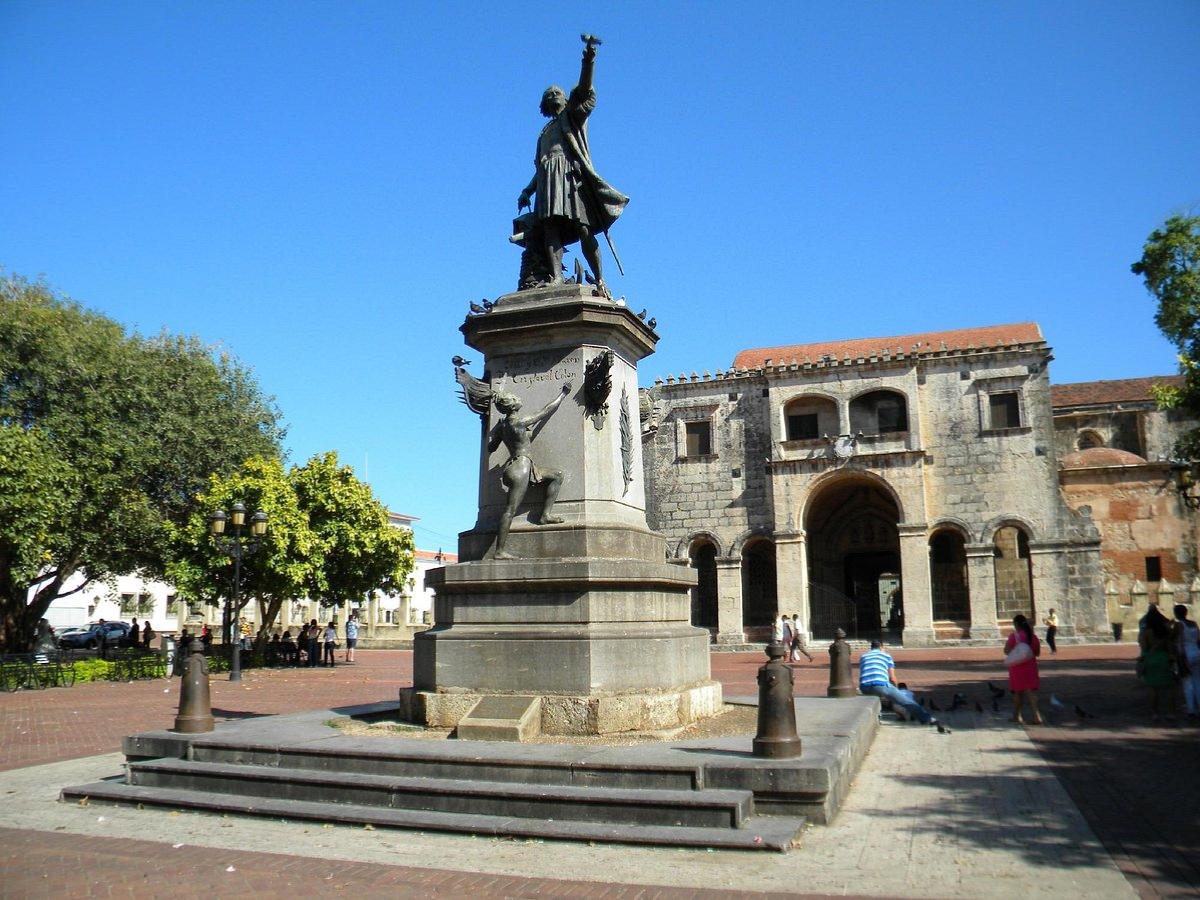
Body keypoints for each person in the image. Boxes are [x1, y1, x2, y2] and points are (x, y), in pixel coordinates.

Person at [516, 36, 628, 293]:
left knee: (583, 228)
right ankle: (556, 277)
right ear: (544, 104)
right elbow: (539, 169)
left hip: (569, 177)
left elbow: (585, 91)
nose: (554, 95)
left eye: (558, 92)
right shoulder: (544, 133)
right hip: (547, 182)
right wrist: (527, 190)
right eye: (550, 94)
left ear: (566, 100)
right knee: (550, 229)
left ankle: (599, 279)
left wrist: (588, 58)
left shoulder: (573, 117)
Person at [488, 384, 572, 559]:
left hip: (516, 465)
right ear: (512, 405)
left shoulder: (503, 427)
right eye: (515, 399)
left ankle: (545, 515)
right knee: (510, 510)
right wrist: (563, 394)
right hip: (522, 466)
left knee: (557, 475)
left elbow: (491, 447)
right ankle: (499, 551)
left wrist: (497, 431)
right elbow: (546, 411)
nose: (518, 400)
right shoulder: (519, 422)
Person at [858, 640, 942, 730]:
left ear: (871, 647)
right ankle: (928, 719)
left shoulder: (863, 656)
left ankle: (877, 720)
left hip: (864, 686)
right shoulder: (886, 656)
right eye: (884, 648)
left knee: (876, 698)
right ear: (881, 647)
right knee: (906, 701)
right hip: (880, 684)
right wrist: (896, 690)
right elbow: (893, 678)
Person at [1140, 605, 1178, 722]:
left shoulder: (1147, 633)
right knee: (1169, 688)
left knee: (1153, 689)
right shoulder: (1165, 631)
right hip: (1164, 658)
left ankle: (1155, 713)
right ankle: (1171, 713)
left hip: (1151, 658)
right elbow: (1170, 645)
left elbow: (1144, 647)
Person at [1005, 614, 1043, 725]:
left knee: (1017, 692)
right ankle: (1037, 715)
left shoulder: (1014, 636)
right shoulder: (1033, 636)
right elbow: (1037, 653)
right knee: (1030, 691)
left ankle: (1017, 716)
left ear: (1016, 624)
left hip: (1017, 666)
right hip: (1030, 666)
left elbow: (1006, 650)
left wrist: (1016, 652)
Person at [1172, 605, 1200, 720]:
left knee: (1187, 683)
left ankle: (1191, 709)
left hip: (1185, 655)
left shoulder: (1179, 625)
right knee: (1197, 681)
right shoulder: (1194, 624)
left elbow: (1172, 637)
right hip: (1196, 653)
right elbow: (1198, 639)